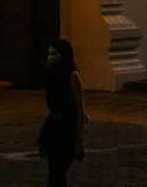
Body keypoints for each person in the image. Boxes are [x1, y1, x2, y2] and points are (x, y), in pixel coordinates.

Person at [38, 39, 86, 187]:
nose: (50, 57)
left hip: (68, 125)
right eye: (49, 54)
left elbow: (80, 107)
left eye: (54, 54)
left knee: (58, 170)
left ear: (64, 55)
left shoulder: (72, 75)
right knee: (55, 170)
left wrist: (79, 139)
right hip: (54, 124)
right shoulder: (50, 74)